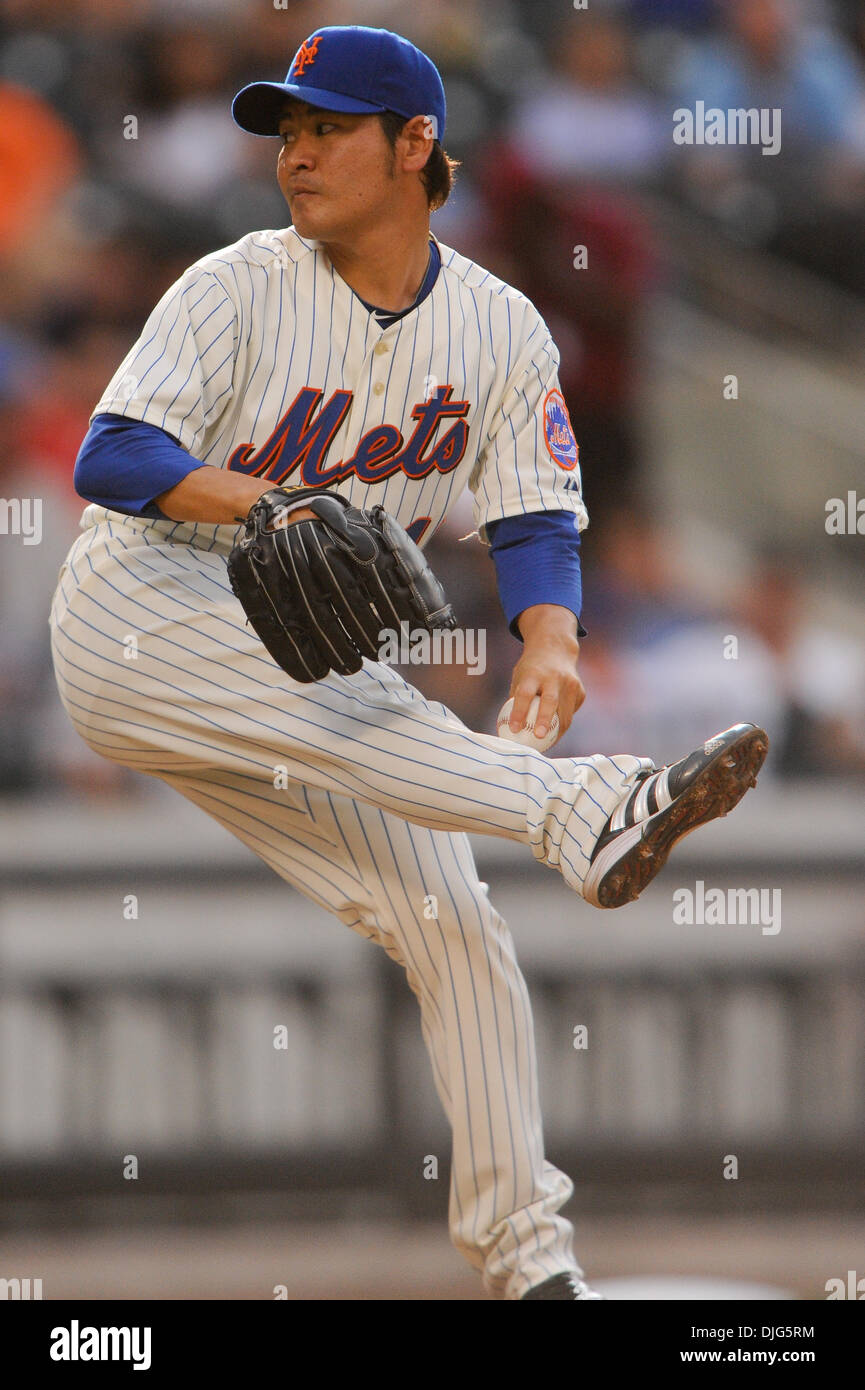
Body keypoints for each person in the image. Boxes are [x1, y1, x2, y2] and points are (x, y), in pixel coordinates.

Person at [49, 25, 767, 1301]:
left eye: (327, 127)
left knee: (454, 922)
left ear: (415, 144)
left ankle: (530, 1268)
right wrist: (263, 502)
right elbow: (109, 454)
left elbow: (537, 513)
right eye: (288, 130)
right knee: (363, 715)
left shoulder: (497, 327)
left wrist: (549, 634)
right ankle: (581, 806)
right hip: (138, 615)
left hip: (300, 667)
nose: (297, 152)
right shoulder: (235, 283)